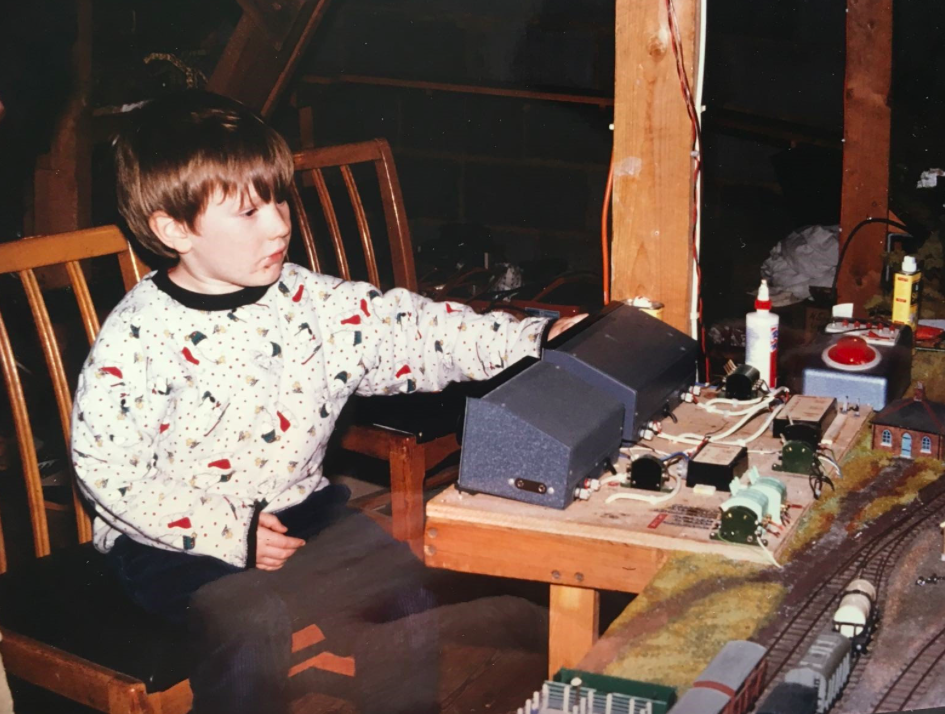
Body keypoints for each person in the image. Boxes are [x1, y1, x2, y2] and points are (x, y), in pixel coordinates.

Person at [70, 90, 582, 714]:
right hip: (168, 539)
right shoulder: (140, 337)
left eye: (279, 198)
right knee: (249, 621)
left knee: (406, 592)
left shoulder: (306, 302)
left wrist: (532, 338)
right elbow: (107, 471)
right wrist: (229, 533)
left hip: (298, 508)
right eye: (250, 212)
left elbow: (410, 329)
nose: (280, 223)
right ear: (174, 230)